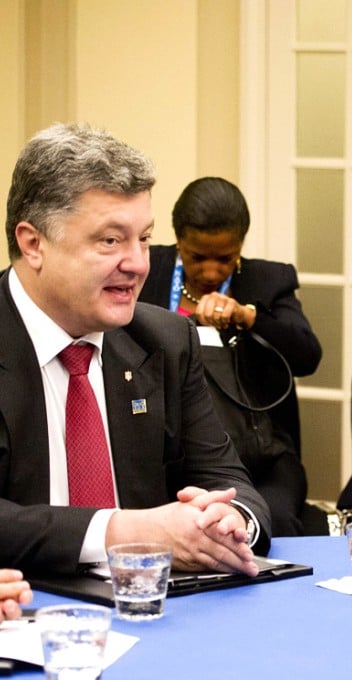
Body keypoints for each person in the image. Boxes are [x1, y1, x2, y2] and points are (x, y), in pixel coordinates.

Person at [0, 122, 270, 576]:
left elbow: (230, 482)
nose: (138, 263)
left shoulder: (164, 341)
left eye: (143, 238)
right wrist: (121, 532)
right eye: (110, 240)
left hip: (152, 610)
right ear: (33, 244)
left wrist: (229, 520)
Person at [138, 177, 323, 536]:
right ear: (178, 240)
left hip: (262, 457)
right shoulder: (147, 271)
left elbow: (307, 356)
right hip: (164, 454)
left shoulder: (268, 280)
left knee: (277, 521)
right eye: (196, 257)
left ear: (241, 244)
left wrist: (248, 316)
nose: (210, 271)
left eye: (225, 258)